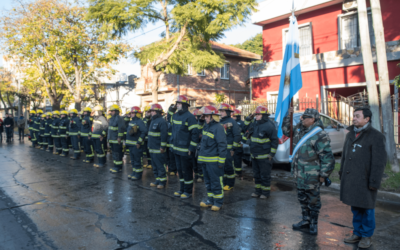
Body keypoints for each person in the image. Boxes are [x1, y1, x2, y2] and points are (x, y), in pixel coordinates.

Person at [282, 108, 335, 235]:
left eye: (305, 117)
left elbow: (327, 157)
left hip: (312, 175)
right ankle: (305, 220)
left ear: (313, 119)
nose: (302, 119)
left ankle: (313, 223)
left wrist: (323, 174)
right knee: (302, 198)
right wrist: (287, 115)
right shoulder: (300, 130)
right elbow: (286, 131)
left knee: (313, 200)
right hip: (299, 173)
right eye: (302, 116)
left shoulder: (319, 134)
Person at [340, 107, 387, 249]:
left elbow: (379, 162)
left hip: (366, 181)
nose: (353, 118)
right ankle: (357, 233)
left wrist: (374, 181)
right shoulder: (350, 135)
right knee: (356, 208)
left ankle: (366, 236)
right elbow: (344, 156)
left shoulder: (376, 136)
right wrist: (342, 173)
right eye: (353, 116)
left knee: (367, 209)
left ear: (367, 119)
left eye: (357, 116)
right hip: (352, 179)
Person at [167, 95, 200, 199]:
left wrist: (191, 148)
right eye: (177, 103)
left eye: (179, 104)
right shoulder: (176, 115)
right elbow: (169, 118)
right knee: (180, 171)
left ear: (185, 105)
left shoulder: (189, 117)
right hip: (176, 149)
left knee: (187, 171)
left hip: (186, 150)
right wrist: (171, 108)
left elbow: (195, 134)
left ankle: (188, 191)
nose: (177, 105)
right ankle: (182, 189)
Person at [244, 106, 278, 199]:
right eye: (256, 115)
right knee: (256, 175)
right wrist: (248, 118)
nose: (256, 116)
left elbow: (274, 141)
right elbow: (244, 127)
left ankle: (265, 193)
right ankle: (257, 191)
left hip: (264, 157)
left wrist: (271, 154)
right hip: (254, 156)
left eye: (258, 115)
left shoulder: (269, 125)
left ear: (264, 115)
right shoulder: (254, 123)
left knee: (265, 176)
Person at [197, 106, 227, 211]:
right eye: (204, 116)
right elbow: (197, 132)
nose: (205, 118)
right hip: (205, 161)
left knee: (216, 182)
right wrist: (200, 121)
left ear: (213, 116)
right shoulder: (206, 126)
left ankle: (218, 202)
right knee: (208, 182)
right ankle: (210, 200)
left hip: (214, 162)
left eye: (206, 116)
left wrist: (221, 161)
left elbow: (222, 145)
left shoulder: (218, 128)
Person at [217, 103, 241, 191]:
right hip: (221, 149)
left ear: (227, 112)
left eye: (222, 111)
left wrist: (233, 149)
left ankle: (230, 184)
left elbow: (237, 135)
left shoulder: (232, 122)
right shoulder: (220, 122)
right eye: (220, 111)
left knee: (229, 167)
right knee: (222, 167)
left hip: (228, 149)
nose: (221, 113)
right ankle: (224, 182)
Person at [147, 104, 168, 188]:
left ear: (157, 112)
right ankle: (158, 179)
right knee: (154, 165)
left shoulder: (161, 121)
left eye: (153, 111)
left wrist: (162, 147)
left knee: (160, 165)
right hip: (152, 148)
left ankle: (162, 182)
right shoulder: (153, 121)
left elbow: (164, 135)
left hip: (158, 149)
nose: (151, 113)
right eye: (151, 111)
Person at [126, 106, 147, 180]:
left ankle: (138, 175)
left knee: (137, 160)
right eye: (131, 113)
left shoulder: (139, 122)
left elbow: (144, 132)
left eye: (132, 113)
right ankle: (134, 173)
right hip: (130, 145)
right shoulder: (131, 121)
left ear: (136, 113)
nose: (131, 114)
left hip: (136, 145)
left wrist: (139, 142)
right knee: (133, 160)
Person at [107, 104, 126, 173]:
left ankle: (118, 167)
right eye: (111, 111)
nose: (111, 112)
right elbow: (109, 130)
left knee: (117, 154)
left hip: (116, 140)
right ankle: (115, 166)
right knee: (114, 154)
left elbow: (121, 128)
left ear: (116, 111)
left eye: (112, 111)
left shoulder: (119, 118)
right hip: (112, 140)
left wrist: (119, 137)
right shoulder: (111, 119)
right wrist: (108, 140)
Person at [233, 109, 246, 177]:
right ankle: (234, 171)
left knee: (237, 160)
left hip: (239, 145)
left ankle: (238, 173)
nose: (233, 117)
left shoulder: (242, 123)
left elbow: (246, 133)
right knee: (233, 160)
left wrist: (243, 141)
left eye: (234, 116)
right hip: (233, 145)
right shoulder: (232, 122)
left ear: (237, 116)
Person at [192, 108, 203, 182]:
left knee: (199, 161)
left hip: (200, 145)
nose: (195, 118)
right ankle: (196, 174)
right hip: (194, 144)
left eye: (197, 117)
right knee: (194, 161)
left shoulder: (202, 123)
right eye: (195, 117)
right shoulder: (193, 123)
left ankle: (201, 176)